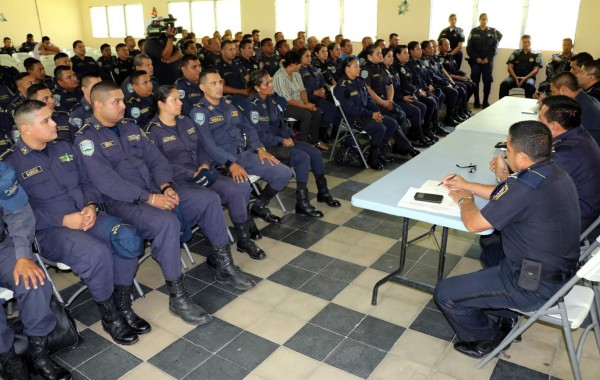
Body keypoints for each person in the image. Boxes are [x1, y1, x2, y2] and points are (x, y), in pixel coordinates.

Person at [75, 81, 253, 308]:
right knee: (166, 223)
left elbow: (156, 160)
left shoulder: (130, 127)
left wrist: (166, 186)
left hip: (153, 190)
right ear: (98, 105)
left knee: (209, 199)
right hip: (123, 202)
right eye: (116, 102)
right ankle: (178, 298)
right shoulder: (87, 139)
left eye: (123, 101)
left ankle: (224, 266)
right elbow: (107, 182)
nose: (123, 107)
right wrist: (149, 198)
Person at [434, 120, 580, 359]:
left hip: (533, 283)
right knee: (490, 248)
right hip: (559, 268)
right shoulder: (552, 172)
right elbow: (504, 194)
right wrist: (466, 185)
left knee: (445, 293)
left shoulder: (524, 186)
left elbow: (474, 223)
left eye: (508, 150)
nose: (505, 153)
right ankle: (506, 314)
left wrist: (464, 200)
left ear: (522, 157)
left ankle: (486, 337)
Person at [7, 99, 147, 347]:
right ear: (26, 129)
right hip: (51, 231)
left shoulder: (64, 148)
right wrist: (63, 220)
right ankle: (109, 315)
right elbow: (19, 213)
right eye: (46, 121)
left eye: (52, 118)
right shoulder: (11, 164)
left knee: (129, 237)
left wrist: (91, 205)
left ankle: (123, 304)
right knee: (97, 254)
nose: (54, 124)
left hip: (87, 215)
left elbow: (87, 183)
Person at [146, 85, 266, 259]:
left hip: (201, 172)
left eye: (180, 98)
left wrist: (203, 164)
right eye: (174, 100)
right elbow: (160, 165)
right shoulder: (152, 131)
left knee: (236, 188)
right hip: (179, 180)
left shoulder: (186, 120)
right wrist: (191, 174)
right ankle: (217, 252)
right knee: (211, 199)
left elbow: (201, 146)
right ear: (161, 104)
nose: (180, 103)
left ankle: (244, 238)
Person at [190, 68, 292, 224]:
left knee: (283, 173)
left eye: (220, 82)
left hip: (245, 154)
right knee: (243, 186)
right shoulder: (200, 112)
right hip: (223, 162)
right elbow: (208, 145)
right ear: (203, 88)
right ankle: (245, 223)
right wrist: (231, 164)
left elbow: (248, 127)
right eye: (213, 83)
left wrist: (260, 149)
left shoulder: (229, 103)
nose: (219, 86)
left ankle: (259, 205)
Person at [0, 160, 71, 380]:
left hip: (3, 245)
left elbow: (18, 212)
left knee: (34, 280)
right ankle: (7, 357)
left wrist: (23, 255)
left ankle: (38, 354)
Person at [248, 69, 341, 217]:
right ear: (257, 87)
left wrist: (289, 136)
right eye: (267, 83)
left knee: (315, 152)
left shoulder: (271, 100)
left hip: (280, 141)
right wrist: (281, 140)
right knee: (302, 158)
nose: (272, 85)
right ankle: (301, 203)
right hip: (265, 147)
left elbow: (280, 124)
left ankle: (323, 192)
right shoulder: (252, 106)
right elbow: (258, 136)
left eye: (271, 81)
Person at [333, 57, 396, 170]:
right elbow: (350, 109)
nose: (359, 69)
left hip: (366, 115)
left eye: (359, 66)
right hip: (353, 118)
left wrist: (376, 111)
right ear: (347, 68)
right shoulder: (342, 87)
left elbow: (369, 100)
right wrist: (371, 115)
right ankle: (373, 157)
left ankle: (378, 152)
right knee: (379, 128)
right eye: (356, 66)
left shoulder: (359, 81)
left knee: (392, 123)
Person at [360, 45, 417, 159]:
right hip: (373, 103)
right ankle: (403, 147)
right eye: (378, 53)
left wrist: (390, 100)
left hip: (386, 101)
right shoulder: (366, 69)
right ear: (369, 57)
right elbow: (368, 90)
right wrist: (382, 102)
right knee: (392, 119)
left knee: (401, 115)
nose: (381, 55)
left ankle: (398, 147)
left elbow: (389, 84)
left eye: (381, 53)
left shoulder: (381, 67)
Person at [272, 51, 327, 150]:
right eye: (299, 64)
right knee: (306, 114)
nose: (300, 66)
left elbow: (302, 90)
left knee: (317, 112)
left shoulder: (296, 73)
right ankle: (306, 144)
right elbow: (287, 100)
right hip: (284, 107)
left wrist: (306, 103)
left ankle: (315, 141)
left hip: (298, 103)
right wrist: (305, 106)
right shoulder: (279, 77)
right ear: (292, 65)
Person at [298, 47, 340, 143]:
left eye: (310, 56)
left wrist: (323, 89)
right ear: (300, 58)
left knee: (337, 104)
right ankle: (323, 130)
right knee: (330, 107)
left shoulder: (313, 68)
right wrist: (315, 92)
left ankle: (335, 132)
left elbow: (322, 81)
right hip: (307, 98)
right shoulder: (298, 71)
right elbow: (300, 89)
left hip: (319, 96)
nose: (310, 58)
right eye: (307, 56)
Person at [550, 71, 600, 147]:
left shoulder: (579, 108)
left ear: (563, 90)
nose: (552, 96)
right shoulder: (586, 99)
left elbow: (565, 135)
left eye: (553, 92)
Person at [467, 13, 502, 108]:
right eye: (482, 19)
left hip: (488, 61)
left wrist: (488, 58)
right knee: (475, 81)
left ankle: (485, 101)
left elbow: (495, 47)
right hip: (476, 61)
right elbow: (469, 48)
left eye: (486, 19)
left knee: (487, 82)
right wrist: (476, 58)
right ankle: (476, 100)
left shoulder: (493, 31)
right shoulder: (474, 31)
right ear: (479, 20)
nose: (484, 21)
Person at [216, 40, 251, 107]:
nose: (233, 52)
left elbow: (247, 78)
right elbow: (222, 87)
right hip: (230, 100)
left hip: (245, 96)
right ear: (222, 52)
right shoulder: (219, 67)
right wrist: (241, 91)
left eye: (234, 49)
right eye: (230, 49)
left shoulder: (238, 63)